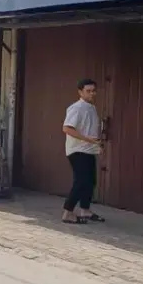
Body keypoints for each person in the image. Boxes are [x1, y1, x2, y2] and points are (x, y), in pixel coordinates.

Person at [61, 78, 105, 224]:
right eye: (88, 91)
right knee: (81, 181)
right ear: (80, 92)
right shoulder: (76, 108)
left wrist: (97, 146)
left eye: (94, 91)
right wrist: (88, 140)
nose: (92, 93)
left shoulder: (92, 108)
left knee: (90, 182)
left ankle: (85, 210)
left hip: (89, 150)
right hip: (77, 150)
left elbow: (90, 130)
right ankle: (68, 212)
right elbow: (67, 128)